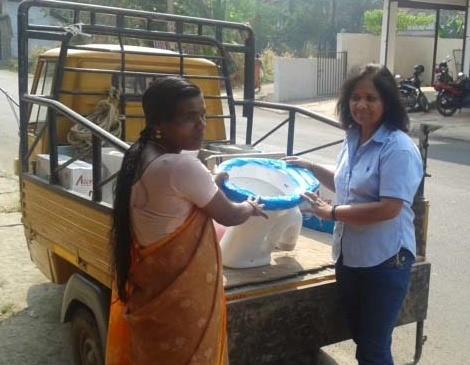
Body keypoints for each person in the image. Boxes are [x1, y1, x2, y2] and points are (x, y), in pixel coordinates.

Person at [106, 76, 267, 365]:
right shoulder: (180, 166)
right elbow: (229, 214)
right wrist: (250, 205)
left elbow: (175, 196)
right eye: (188, 117)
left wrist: (212, 180)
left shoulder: (141, 153)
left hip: (154, 297)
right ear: (159, 124)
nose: (201, 124)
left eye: (203, 114)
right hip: (181, 310)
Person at [284, 64, 423, 365]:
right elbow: (347, 181)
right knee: (362, 338)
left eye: (371, 98)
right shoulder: (354, 137)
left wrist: (331, 212)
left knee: (373, 348)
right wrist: (310, 167)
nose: (361, 105)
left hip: (385, 261)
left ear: (387, 102)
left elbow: (390, 207)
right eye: (355, 97)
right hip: (350, 257)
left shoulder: (397, 148)